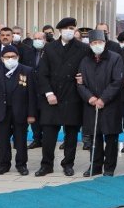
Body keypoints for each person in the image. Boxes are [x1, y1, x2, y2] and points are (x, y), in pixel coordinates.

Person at [35, 17, 88, 177]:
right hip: (52, 97)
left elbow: (87, 68)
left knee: (71, 134)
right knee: (49, 134)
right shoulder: (50, 48)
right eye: (67, 28)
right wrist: (48, 93)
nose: (70, 31)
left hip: (73, 96)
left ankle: (68, 164)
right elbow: (42, 73)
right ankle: (47, 165)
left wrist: (83, 79)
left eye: (73, 28)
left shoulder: (82, 48)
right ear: (60, 30)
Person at [77, 31, 124, 177]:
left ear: (105, 43)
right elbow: (79, 82)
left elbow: (117, 82)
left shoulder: (115, 58)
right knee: (94, 136)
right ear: (90, 45)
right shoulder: (85, 60)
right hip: (91, 104)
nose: (97, 45)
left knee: (111, 137)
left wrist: (103, 99)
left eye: (100, 42)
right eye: (94, 43)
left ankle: (109, 167)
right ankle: (95, 165)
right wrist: (90, 97)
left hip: (110, 104)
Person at [0, 44, 37, 175]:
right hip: (2, 112)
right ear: (2, 58)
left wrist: (31, 114)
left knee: (21, 140)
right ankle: (4, 165)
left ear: (18, 57)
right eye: (7, 57)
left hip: (21, 111)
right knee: (3, 140)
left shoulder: (27, 71)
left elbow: (32, 94)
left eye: (13, 57)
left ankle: (21, 164)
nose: (10, 59)